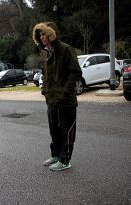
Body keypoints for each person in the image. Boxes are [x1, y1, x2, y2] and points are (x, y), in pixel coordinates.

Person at [32, 22, 82, 171]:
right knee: (54, 130)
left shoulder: (66, 49)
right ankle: (56, 155)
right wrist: (44, 89)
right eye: (39, 35)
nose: (41, 37)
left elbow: (76, 72)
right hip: (52, 100)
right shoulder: (46, 52)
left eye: (43, 34)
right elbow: (45, 74)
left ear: (51, 34)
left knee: (67, 131)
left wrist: (64, 92)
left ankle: (65, 160)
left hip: (66, 101)